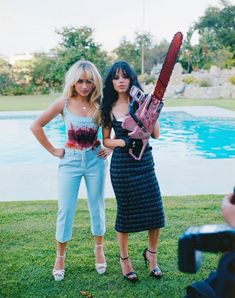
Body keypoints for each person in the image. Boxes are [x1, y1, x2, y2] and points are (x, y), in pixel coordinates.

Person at [30, 60, 111, 281]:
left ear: (95, 83)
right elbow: (36, 126)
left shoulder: (102, 104)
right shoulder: (63, 103)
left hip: (95, 162)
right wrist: (53, 150)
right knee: (66, 209)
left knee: (97, 206)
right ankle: (60, 257)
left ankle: (99, 251)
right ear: (73, 82)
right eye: (80, 81)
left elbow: (107, 137)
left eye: (89, 81)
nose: (84, 86)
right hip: (70, 163)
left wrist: (109, 150)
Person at [101, 60, 165, 282]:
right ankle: (124, 259)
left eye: (124, 77)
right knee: (126, 214)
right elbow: (106, 142)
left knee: (155, 211)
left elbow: (155, 134)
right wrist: (122, 142)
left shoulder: (141, 102)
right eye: (116, 77)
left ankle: (152, 255)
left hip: (145, 164)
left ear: (131, 79)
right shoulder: (108, 107)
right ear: (111, 81)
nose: (120, 81)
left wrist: (152, 110)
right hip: (122, 168)